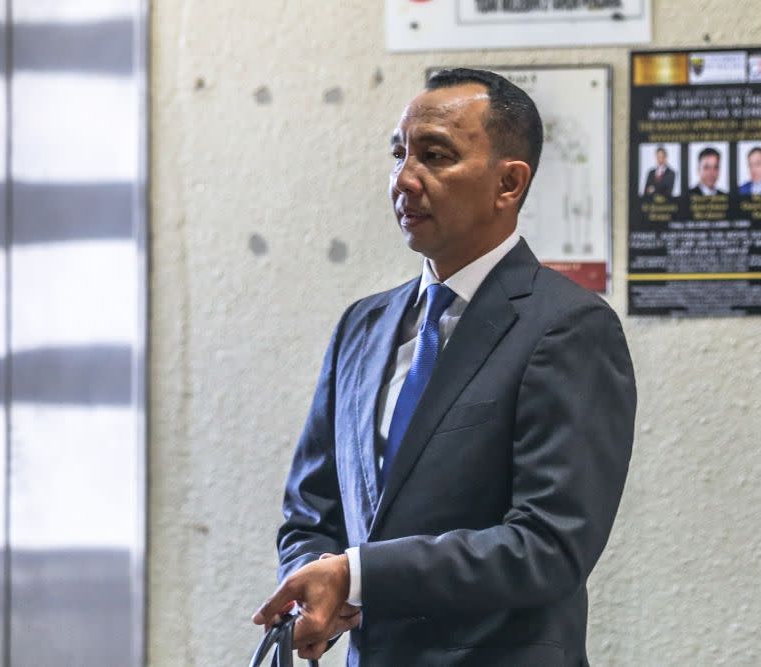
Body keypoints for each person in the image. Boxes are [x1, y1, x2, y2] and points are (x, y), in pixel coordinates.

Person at [251, 68, 637, 666]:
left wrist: (357, 575)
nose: (404, 179)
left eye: (435, 156)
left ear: (508, 184)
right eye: (399, 153)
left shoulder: (568, 327)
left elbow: (548, 545)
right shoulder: (363, 326)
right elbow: (312, 508)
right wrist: (315, 587)